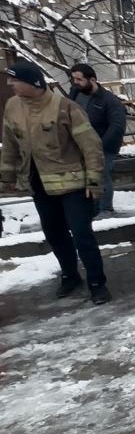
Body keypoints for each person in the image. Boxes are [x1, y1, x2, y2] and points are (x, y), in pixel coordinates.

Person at [0, 60, 111, 305]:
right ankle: (70, 276)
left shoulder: (65, 107)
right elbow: (9, 145)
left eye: (14, 80)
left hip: (73, 185)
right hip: (39, 184)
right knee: (54, 233)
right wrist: (6, 177)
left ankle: (97, 283)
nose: (10, 84)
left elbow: (91, 147)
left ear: (33, 83)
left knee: (82, 234)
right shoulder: (12, 107)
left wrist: (94, 182)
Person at [68, 63, 126, 218]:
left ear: (92, 79)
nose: (76, 83)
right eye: (74, 79)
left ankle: (106, 209)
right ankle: (91, 209)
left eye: (79, 79)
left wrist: (100, 145)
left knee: (101, 174)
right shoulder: (75, 92)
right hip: (80, 145)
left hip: (104, 146)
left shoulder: (109, 100)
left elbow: (117, 127)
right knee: (85, 177)